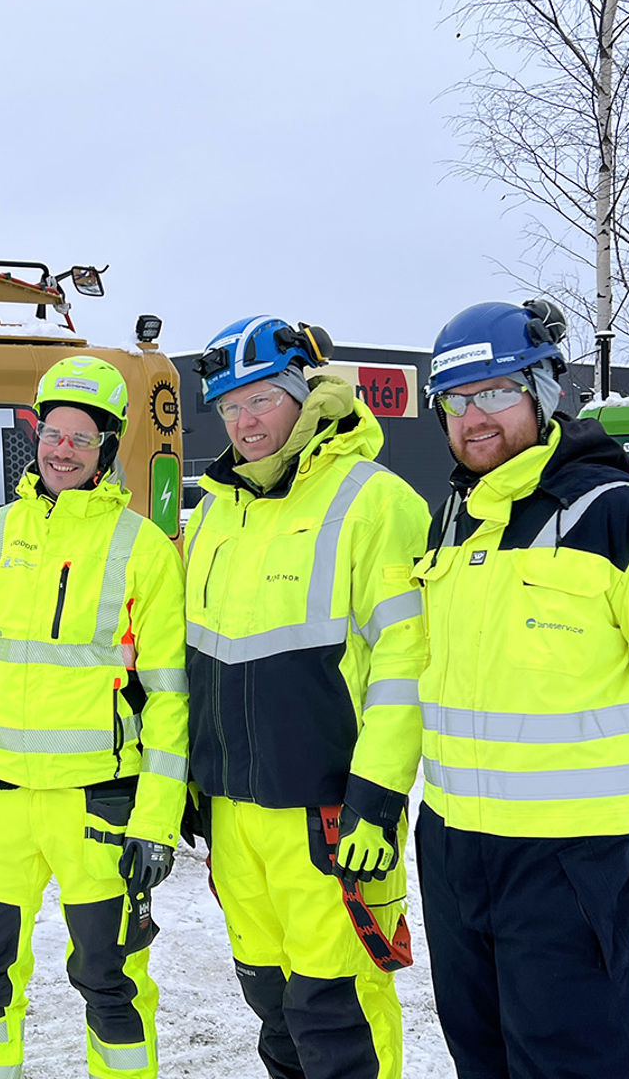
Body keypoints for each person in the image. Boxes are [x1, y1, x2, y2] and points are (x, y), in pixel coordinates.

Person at [412, 300, 629, 1078]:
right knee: (484, 1058)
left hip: (574, 862)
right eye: (456, 402)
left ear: (543, 391)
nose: (475, 418)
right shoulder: (454, 524)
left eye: (495, 393)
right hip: (457, 855)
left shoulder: (619, 519)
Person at [0, 355, 189, 1079]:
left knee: (113, 988)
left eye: (81, 437)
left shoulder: (143, 549)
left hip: (97, 810)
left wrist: (156, 822)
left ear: (107, 446)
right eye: (52, 433)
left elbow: (169, 699)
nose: (61, 449)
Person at [184, 315, 429, 1079]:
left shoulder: (376, 501)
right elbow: (191, 656)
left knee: (338, 1012)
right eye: (229, 408)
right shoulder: (216, 510)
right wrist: (190, 781)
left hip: (329, 815)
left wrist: (379, 794)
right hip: (234, 812)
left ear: (303, 394)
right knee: (272, 1003)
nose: (245, 423)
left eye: (259, 401)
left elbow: (406, 662)